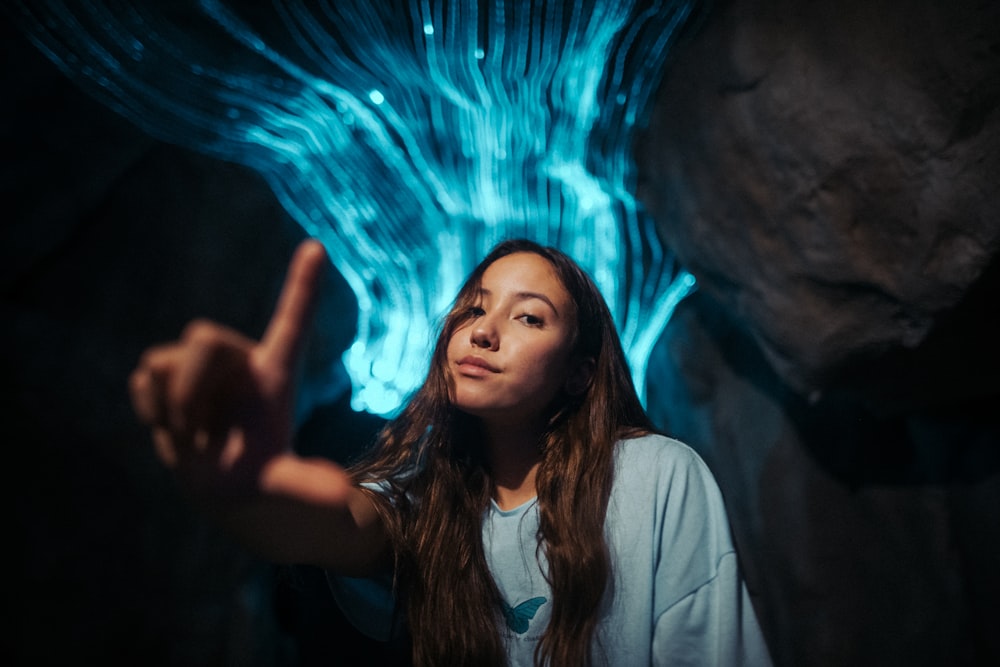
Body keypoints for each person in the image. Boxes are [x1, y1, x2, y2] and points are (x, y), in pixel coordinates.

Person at [130, 238, 773, 666]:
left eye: (529, 317)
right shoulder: (425, 489)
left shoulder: (658, 474)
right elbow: (337, 525)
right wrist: (248, 490)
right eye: (473, 308)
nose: (484, 332)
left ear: (579, 373)